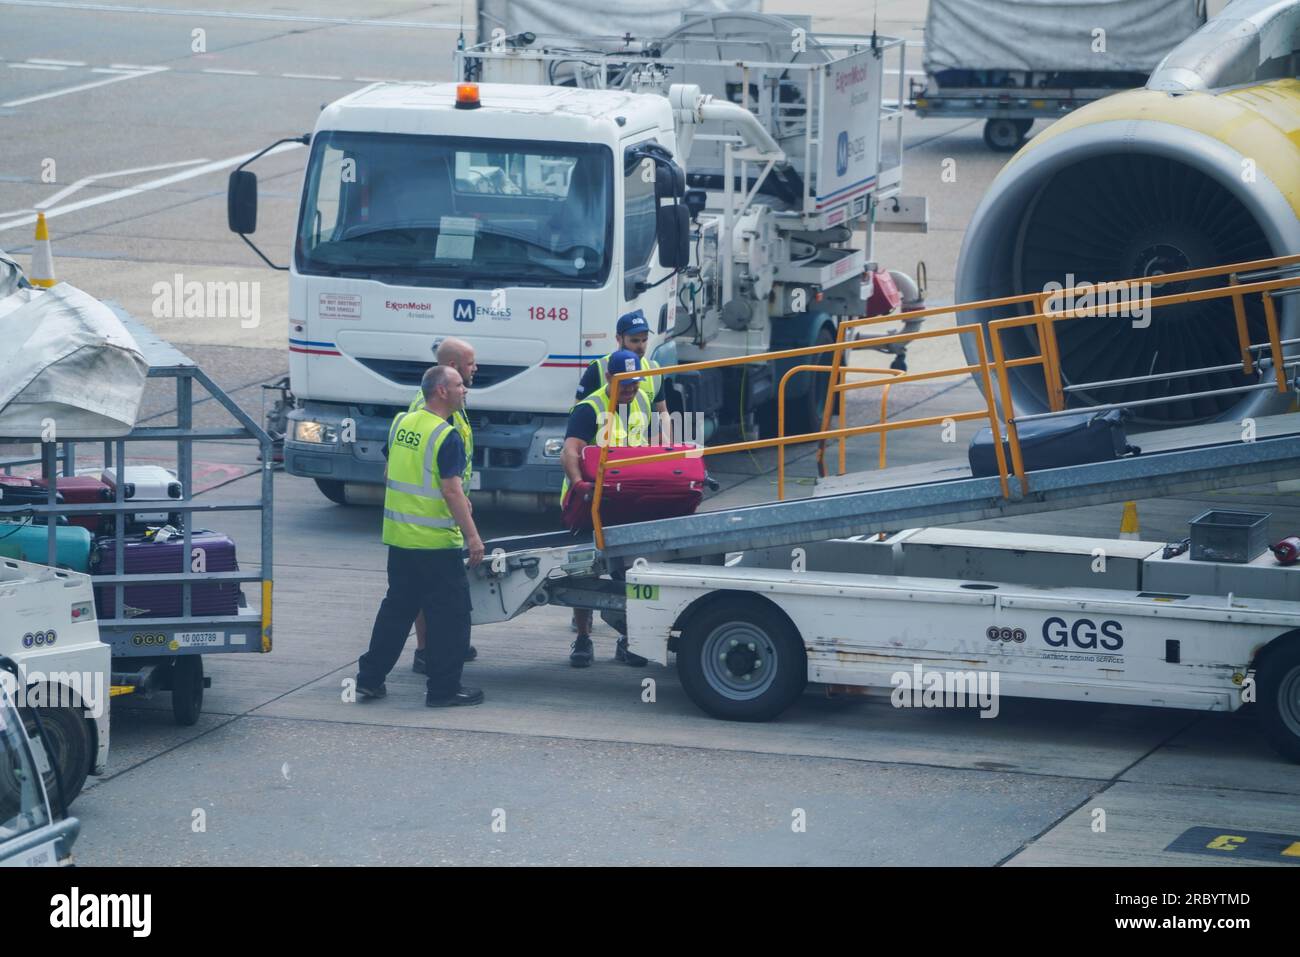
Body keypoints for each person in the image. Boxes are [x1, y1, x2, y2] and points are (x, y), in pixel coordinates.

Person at [355, 365, 486, 707]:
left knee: (396, 612)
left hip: (400, 539)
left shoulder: (402, 424)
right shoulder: (446, 434)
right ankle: (443, 690)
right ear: (442, 391)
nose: (464, 390)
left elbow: (391, 471)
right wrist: (473, 537)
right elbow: (450, 490)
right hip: (435, 544)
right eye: (459, 385)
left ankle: (369, 679)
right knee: (452, 618)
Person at [561, 349, 650, 669]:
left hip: (626, 499)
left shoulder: (641, 401)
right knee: (585, 569)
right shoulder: (589, 409)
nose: (631, 389)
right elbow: (570, 451)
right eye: (624, 384)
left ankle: (628, 639)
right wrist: (578, 484)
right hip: (589, 501)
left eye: (635, 382)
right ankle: (583, 638)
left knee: (630, 571)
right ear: (609, 378)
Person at [409, 337, 479, 674]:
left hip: (443, 512)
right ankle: (428, 651)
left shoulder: (452, 405)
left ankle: (442, 646)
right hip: (431, 517)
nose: (475, 369)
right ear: (451, 367)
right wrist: (470, 531)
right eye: (470, 363)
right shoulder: (432, 413)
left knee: (423, 592)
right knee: (434, 593)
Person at [576, 309, 670, 442]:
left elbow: (663, 413)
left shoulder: (654, 369)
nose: (641, 346)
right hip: (601, 455)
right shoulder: (598, 368)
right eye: (635, 340)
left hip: (638, 456)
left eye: (644, 340)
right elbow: (578, 414)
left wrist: (669, 449)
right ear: (618, 338)